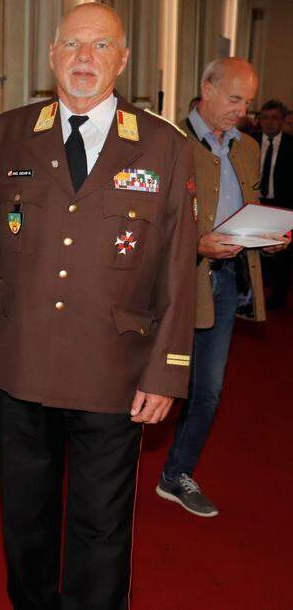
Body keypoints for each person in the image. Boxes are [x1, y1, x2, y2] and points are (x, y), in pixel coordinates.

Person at [0, 2, 198, 608]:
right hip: (20, 362)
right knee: (25, 519)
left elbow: (177, 265)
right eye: (72, 44)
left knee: (100, 526)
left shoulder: (162, 147)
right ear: (51, 55)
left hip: (113, 369)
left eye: (100, 46)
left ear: (122, 59)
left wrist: (165, 372)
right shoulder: (9, 132)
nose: (84, 58)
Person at [154, 60, 291, 517]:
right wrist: (197, 244)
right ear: (206, 88)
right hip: (171, 287)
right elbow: (147, 224)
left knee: (208, 391)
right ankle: (109, 467)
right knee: (149, 383)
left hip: (225, 285)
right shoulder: (167, 142)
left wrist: (266, 239)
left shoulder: (246, 148)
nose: (242, 110)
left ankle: (177, 474)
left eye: (248, 102)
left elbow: (245, 212)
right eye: (234, 99)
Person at [256, 99, 292, 309]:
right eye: (266, 118)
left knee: (282, 254)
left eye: (275, 118)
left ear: (283, 120)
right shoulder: (248, 142)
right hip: (256, 203)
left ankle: (278, 298)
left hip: (283, 204)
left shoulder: (290, 144)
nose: (269, 123)